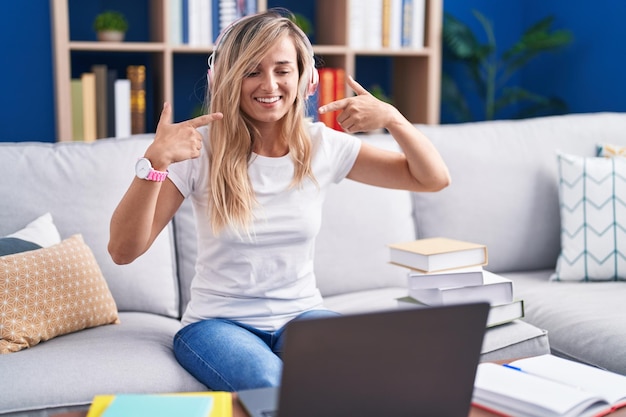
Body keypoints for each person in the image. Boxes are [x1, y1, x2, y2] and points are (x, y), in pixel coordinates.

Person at [108, 8, 450, 392]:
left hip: (302, 315)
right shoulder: (199, 151)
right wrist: (155, 162)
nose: (269, 84)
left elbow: (432, 178)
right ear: (226, 78)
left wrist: (394, 120)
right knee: (269, 382)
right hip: (217, 325)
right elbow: (123, 250)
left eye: (282, 69)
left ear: (307, 79)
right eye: (251, 71)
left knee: (368, 368)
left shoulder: (324, 146)